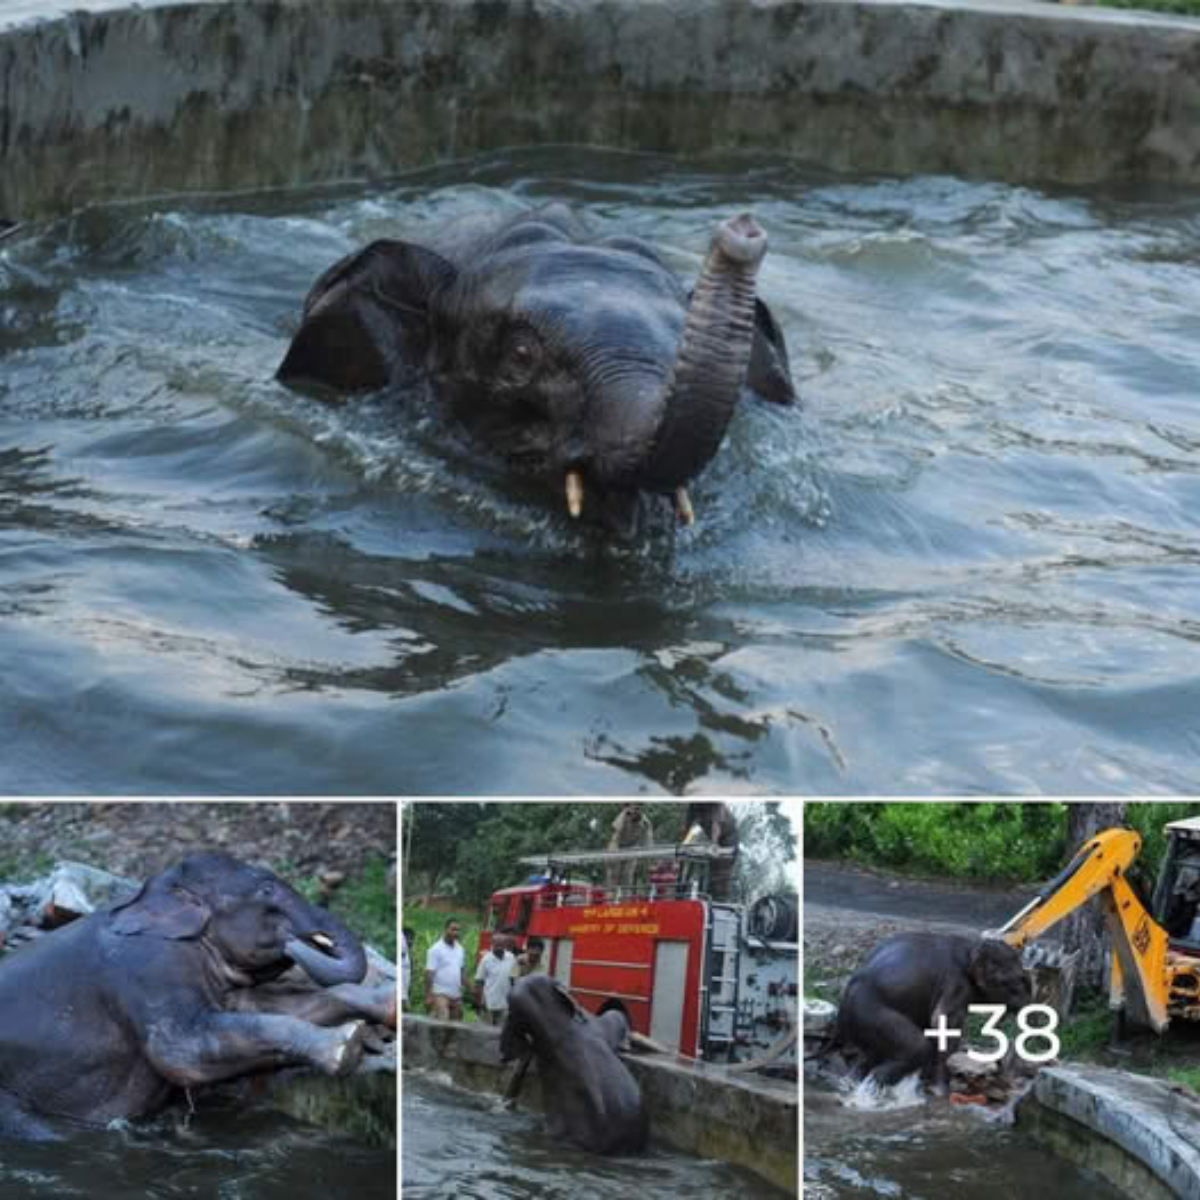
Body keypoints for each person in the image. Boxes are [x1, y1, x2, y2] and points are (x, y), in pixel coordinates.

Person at [684, 802, 740, 902]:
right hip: (711, 837)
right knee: (700, 866)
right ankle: (694, 896)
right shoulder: (693, 805)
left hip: (728, 840)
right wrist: (685, 844)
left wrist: (713, 844)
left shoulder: (716, 805)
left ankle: (719, 902)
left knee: (719, 877)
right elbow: (689, 826)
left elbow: (716, 825)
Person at [424, 918, 466, 1021]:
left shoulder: (460, 949)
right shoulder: (435, 949)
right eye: (453, 929)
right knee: (443, 1018)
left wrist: (468, 987)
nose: (456, 932)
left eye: (458, 930)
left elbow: (462, 970)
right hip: (440, 992)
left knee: (456, 1021)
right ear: (445, 929)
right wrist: (428, 995)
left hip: (456, 993)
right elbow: (429, 973)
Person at [606, 803, 654, 892]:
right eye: (635, 808)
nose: (637, 810)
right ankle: (610, 898)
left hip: (631, 848)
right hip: (617, 845)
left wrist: (648, 860)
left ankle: (626, 900)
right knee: (614, 875)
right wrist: (614, 855)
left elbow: (648, 842)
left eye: (639, 808)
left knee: (627, 877)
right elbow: (616, 832)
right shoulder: (624, 816)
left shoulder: (646, 823)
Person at [474, 932, 517, 1024]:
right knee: (486, 1032)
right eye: (496, 944)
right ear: (492, 944)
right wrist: (480, 1001)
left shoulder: (511, 957)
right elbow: (479, 982)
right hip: (488, 1003)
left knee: (502, 1032)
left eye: (501, 944)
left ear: (505, 944)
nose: (499, 947)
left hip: (505, 1004)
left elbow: (514, 980)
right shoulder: (486, 959)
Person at [401, 926, 415, 1011]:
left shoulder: (409, 957)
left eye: (412, 939)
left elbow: (409, 978)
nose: (411, 942)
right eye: (409, 939)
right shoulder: (402, 954)